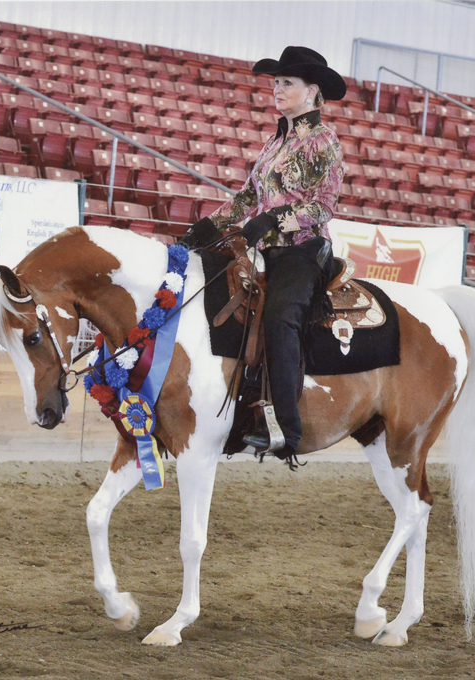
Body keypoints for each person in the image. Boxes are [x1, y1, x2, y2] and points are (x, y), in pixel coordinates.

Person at [181, 46, 346, 461]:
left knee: (279, 318)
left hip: (303, 251)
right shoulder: (274, 143)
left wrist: (276, 221)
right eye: (276, 81)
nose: (277, 89)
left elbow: (323, 206)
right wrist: (207, 226)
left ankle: (287, 430)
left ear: (311, 91)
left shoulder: (324, 140)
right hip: (265, 251)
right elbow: (246, 200)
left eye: (286, 82)